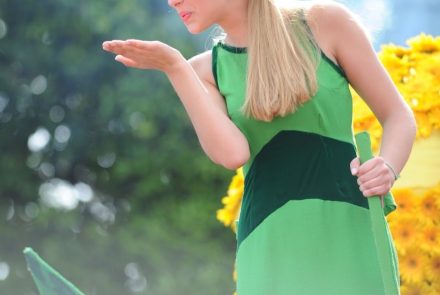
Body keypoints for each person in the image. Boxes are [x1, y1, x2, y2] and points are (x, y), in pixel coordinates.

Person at [102, 0, 416, 294]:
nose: (173, 1)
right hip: (267, 241)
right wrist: (175, 67)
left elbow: (398, 116)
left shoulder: (326, 24)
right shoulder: (203, 72)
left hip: (350, 228)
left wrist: (388, 165)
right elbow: (232, 154)